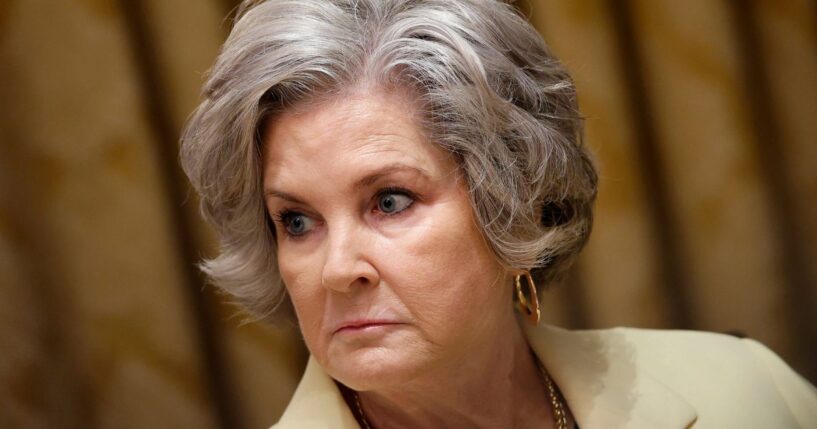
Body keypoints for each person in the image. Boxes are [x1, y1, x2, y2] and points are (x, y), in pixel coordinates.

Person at [180, 0, 817, 427]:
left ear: (511, 197)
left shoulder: (744, 388)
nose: (336, 269)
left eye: (390, 201)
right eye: (296, 221)